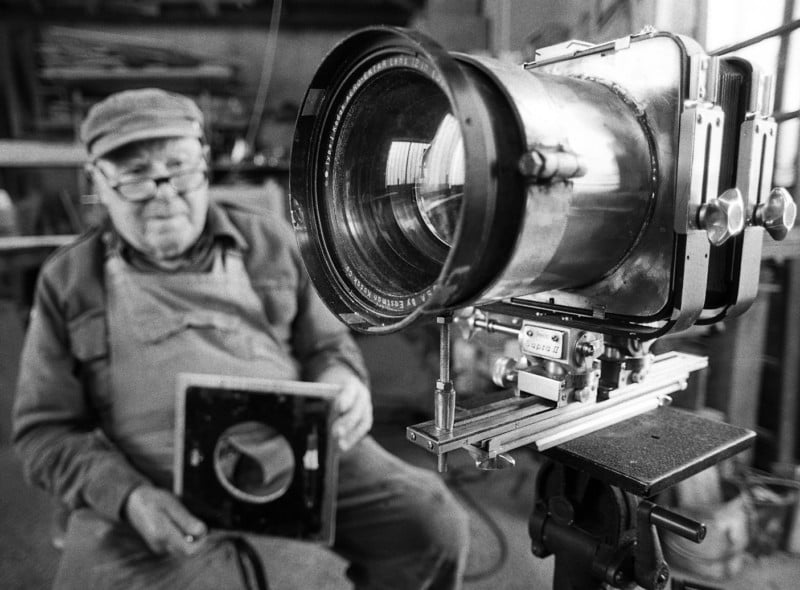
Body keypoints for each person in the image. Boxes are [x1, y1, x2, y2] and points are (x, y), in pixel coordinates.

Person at [12, 88, 470, 590]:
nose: (164, 191)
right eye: (135, 174)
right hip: (148, 475)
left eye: (179, 167)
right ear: (98, 182)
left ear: (205, 165)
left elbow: (327, 347)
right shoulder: (68, 280)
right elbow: (44, 433)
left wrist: (344, 378)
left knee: (427, 522)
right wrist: (126, 497)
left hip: (291, 450)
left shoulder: (270, 242)